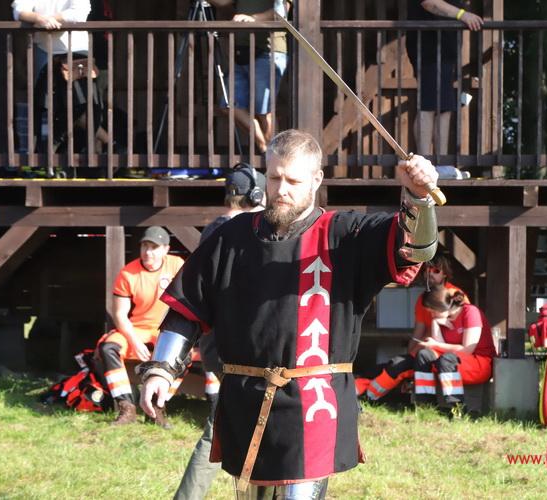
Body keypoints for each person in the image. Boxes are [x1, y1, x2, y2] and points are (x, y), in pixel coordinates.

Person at [138, 129, 439, 497]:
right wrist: (161, 368)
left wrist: (418, 198)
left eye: (293, 181)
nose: (281, 190)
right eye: (275, 177)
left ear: (316, 180)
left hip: (314, 403)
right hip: (245, 400)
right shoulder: (230, 238)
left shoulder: (345, 235)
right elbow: (189, 306)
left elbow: (415, 249)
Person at [173, 163, 267, 500]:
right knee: (228, 429)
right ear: (256, 194)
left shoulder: (214, 228)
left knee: (232, 427)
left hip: (217, 344)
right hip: (241, 347)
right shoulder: (245, 232)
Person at [96, 226, 185, 426]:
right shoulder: (128, 273)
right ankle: (126, 407)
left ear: (166, 249)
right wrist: (135, 342)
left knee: (184, 354)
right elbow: (120, 314)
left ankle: (157, 406)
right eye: (145, 246)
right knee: (108, 348)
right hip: (136, 329)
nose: (148, 252)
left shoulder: (177, 265)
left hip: (167, 329)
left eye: (154, 247)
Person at [360, 252, 470, 400]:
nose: (430, 273)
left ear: (445, 273)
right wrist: (410, 356)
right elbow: (418, 333)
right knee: (394, 364)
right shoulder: (422, 299)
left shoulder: (456, 295)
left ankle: (367, 395)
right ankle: (366, 395)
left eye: (436, 270)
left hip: (448, 356)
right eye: (427, 270)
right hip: (426, 351)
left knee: (403, 364)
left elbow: (463, 336)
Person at [366, 284, 494, 410]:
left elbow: (467, 350)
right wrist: (435, 323)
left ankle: (456, 407)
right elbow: (438, 348)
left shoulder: (470, 312)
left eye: (433, 312)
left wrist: (435, 344)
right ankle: (426, 406)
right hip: (452, 359)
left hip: (479, 362)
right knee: (422, 356)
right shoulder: (442, 319)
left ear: (441, 308)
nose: (431, 315)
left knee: (446, 360)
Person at [12, 0, 109, 159]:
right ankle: (42, 156)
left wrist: (50, 19)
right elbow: (19, 10)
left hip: (76, 50)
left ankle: (55, 144)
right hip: (43, 51)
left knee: (85, 103)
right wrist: (40, 19)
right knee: (42, 105)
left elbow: (80, 12)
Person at [407, 0, 482, 177]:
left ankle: (441, 164)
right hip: (429, 49)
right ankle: (424, 166)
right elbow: (429, 2)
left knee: (444, 108)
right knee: (428, 107)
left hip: (445, 51)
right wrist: (462, 14)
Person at [209, 0, 291, 153]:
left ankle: (274, 156)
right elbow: (223, 3)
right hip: (241, 51)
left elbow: (282, 9)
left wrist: (254, 18)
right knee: (229, 104)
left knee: (264, 111)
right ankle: (266, 148)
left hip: (268, 50)